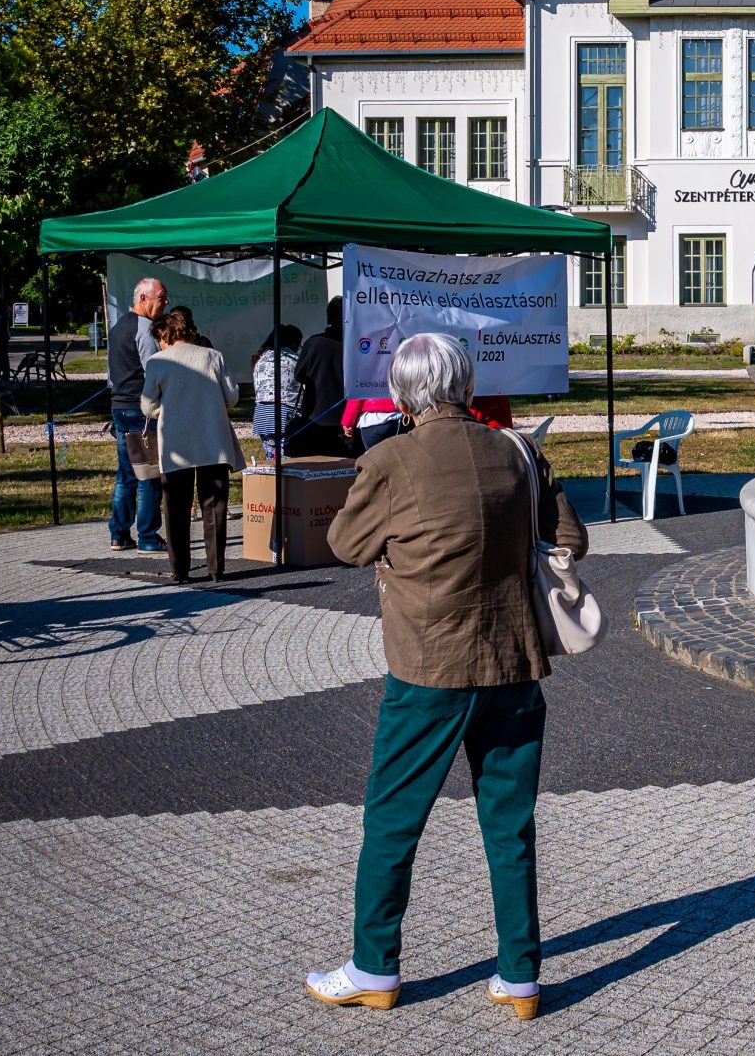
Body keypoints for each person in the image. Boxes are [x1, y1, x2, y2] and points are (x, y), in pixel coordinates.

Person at [307, 333, 587, 1018]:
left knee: (392, 823)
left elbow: (345, 545)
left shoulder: (390, 460)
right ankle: (520, 977)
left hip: (428, 669)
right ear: (465, 384)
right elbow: (572, 539)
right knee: (510, 825)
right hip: (515, 663)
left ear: (402, 394)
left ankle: (375, 967)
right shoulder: (519, 452)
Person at [140, 307, 243, 585]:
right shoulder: (213, 356)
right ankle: (216, 569)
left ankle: (180, 570)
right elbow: (232, 397)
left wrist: (168, 408)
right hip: (213, 440)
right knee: (214, 507)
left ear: (166, 335)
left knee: (176, 508)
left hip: (176, 445)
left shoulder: (158, 362)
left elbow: (148, 406)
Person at [107, 276, 168, 555]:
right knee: (147, 475)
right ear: (143, 299)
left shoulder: (118, 326)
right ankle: (147, 536)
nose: (166, 303)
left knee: (126, 475)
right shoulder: (144, 328)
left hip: (120, 407)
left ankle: (119, 534)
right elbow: (152, 370)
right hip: (140, 409)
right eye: (161, 298)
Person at [290, 296, 349, 457]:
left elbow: (299, 375)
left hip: (315, 415)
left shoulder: (313, 343)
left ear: (328, 316)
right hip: (347, 416)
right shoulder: (356, 344)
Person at [251, 323, 306, 459]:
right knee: (287, 456)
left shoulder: (260, 360)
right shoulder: (295, 360)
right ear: (293, 343)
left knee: (271, 454)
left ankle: (271, 478)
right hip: (286, 413)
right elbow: (305, 388)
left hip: (262, 413)